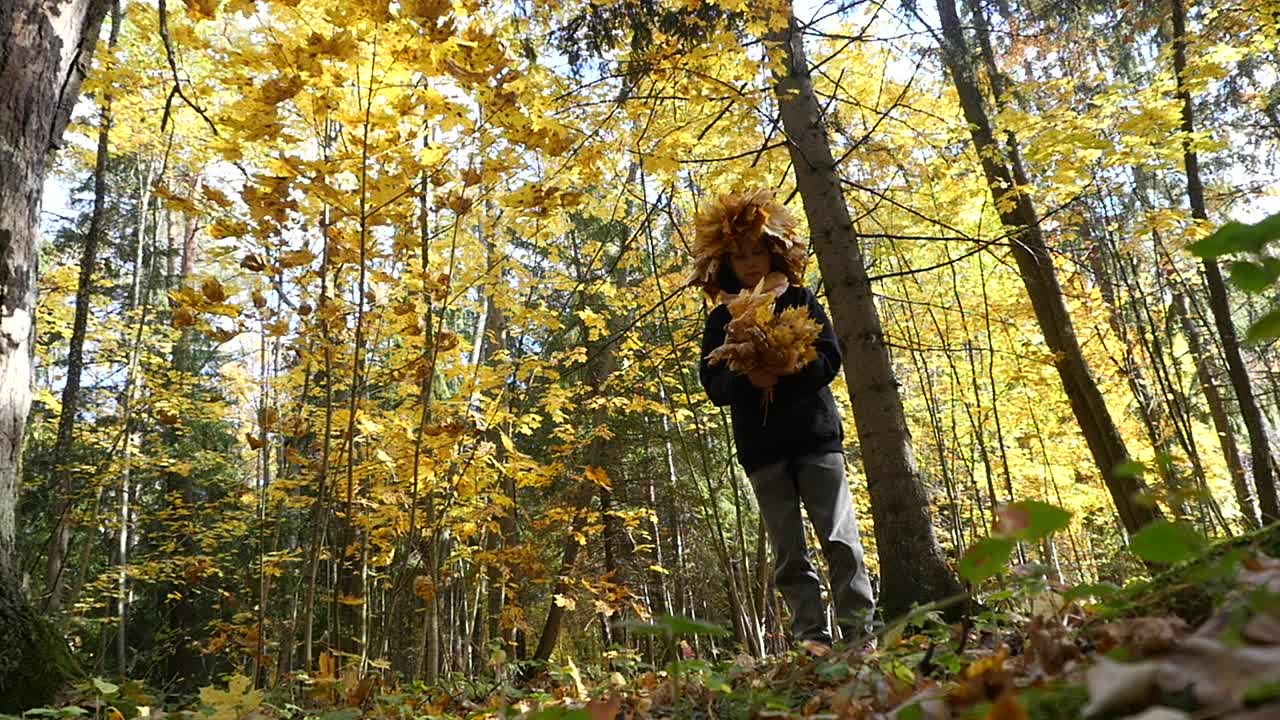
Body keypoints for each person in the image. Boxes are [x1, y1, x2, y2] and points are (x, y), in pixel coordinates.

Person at [690, 188, 875, 651]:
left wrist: (788, 369)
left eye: (757, 251)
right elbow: (712, 385)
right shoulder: (720, 320)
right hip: (762, 450)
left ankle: (860, 635)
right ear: (724, 262)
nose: (750, 263)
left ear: (774, 249)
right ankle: (813, 639)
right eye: (739, 255)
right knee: (790, 551)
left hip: (816, 437)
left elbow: (830, 359)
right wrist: (749, 379)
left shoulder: (800, 298)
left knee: (839, 539)